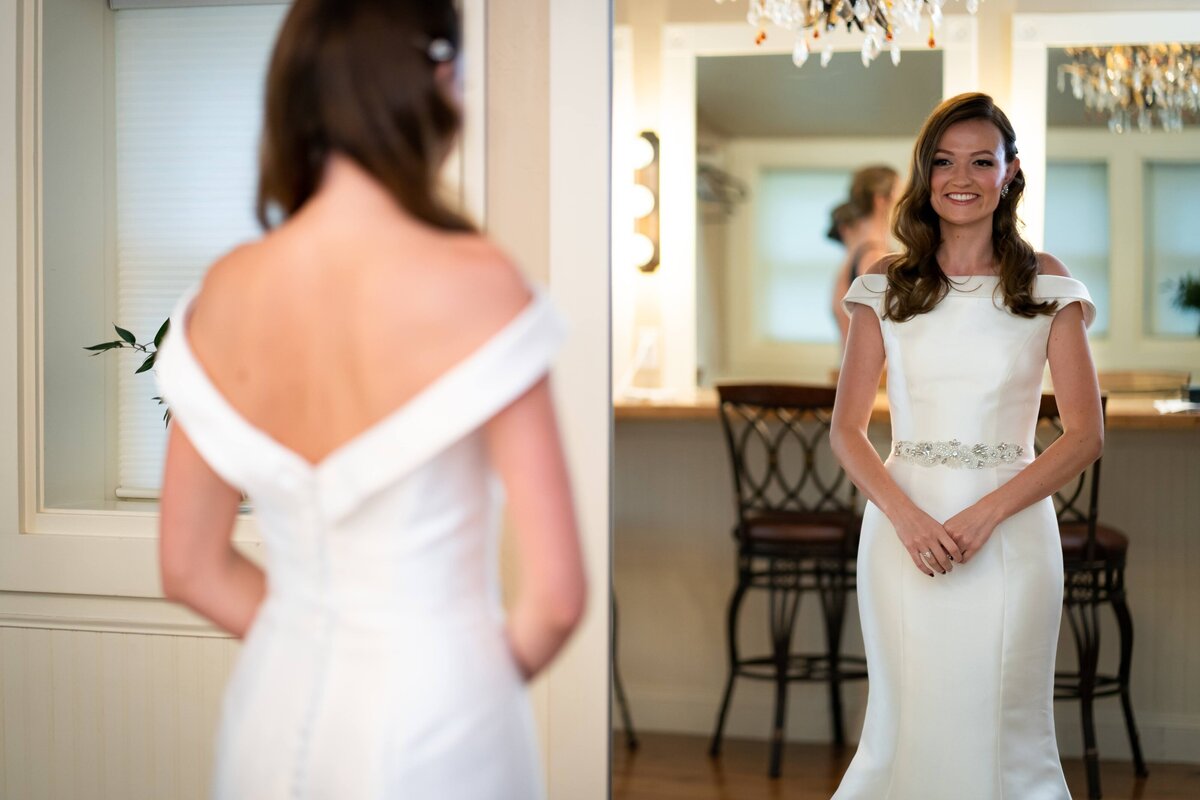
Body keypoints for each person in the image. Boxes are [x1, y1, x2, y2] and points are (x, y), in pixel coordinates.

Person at [153, 2, 586, 797]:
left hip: (271, 715)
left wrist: (313, 645)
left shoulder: (221, 295)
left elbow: (188, 567)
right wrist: (464, 684)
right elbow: (557, 599)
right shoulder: (480, 283)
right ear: (439, 80)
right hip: (444, 727)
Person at [830, 92, 1101, 799]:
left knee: (1007, 736)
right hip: (901, 533)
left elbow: (1084, 434)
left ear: (1011, 172)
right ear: (924, 174)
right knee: (904, 727)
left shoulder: (1043, 282)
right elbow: (847, 431)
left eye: (983, 160)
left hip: (1011, 537)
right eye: (945, 161)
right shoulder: (886, 285)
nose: (962, 177)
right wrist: (910, 520)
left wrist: (986, 516)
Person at [829, 165, 900, 348]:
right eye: (902, 195)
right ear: (881, 200)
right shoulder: (874, 257)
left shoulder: (857, 253)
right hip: (879, 375)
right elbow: (884, 333)